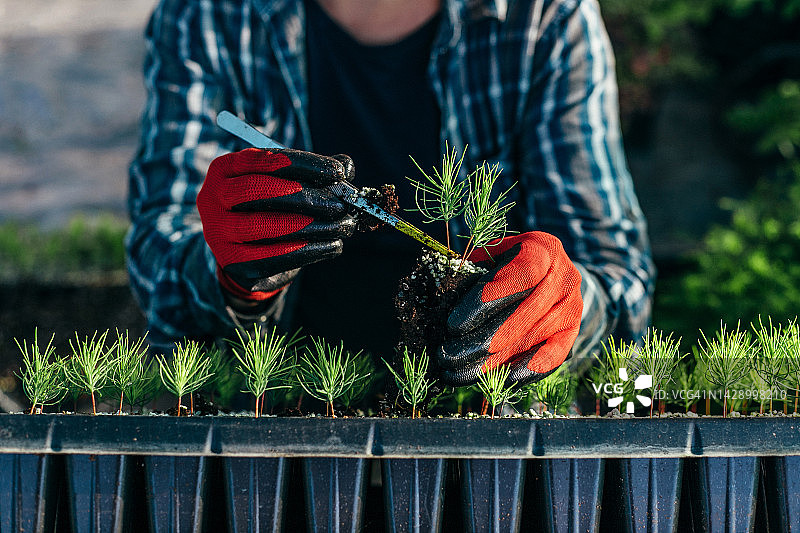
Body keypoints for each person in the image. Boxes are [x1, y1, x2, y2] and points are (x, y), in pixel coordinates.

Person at [127, 0, 654, 387]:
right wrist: (229, 275)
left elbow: (621, 282)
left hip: (482, 433)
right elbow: (158, 253)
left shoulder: (544, 17)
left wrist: (562, 302)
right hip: (275, 417)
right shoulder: (208, 15)